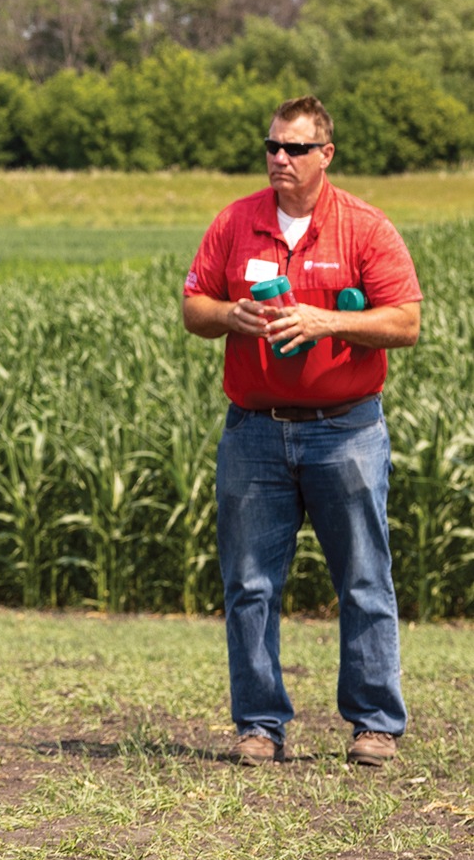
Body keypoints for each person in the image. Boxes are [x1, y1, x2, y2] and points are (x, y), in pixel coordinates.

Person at [181, 96, 423, 768]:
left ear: (326, 155)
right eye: (271, 147)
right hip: (255, 433)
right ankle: (260, 725)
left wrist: (327, 323)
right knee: (250, 583)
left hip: (346, 432)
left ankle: (375, 723)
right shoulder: (236, 223)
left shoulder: (365, 228)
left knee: (365, 579)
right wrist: (229, 314)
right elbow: (192, 306)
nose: (278, 159)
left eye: (293, 149)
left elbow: (404, 321)